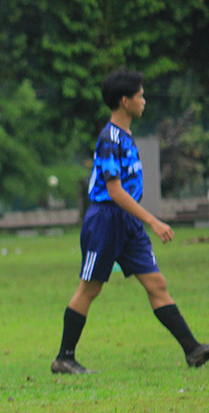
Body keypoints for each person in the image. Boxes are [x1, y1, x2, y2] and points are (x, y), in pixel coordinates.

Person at [51, 68, 209, 374]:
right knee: (90, 289)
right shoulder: (109, 138)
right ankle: (64, 358)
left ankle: (192, 349)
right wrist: (153, 220)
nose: (144, 101)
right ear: (125, 101)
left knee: (156, 283)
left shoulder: (126, 136)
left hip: (128, 221)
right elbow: (114, 190)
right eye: (140, 95)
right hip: (106, 221)